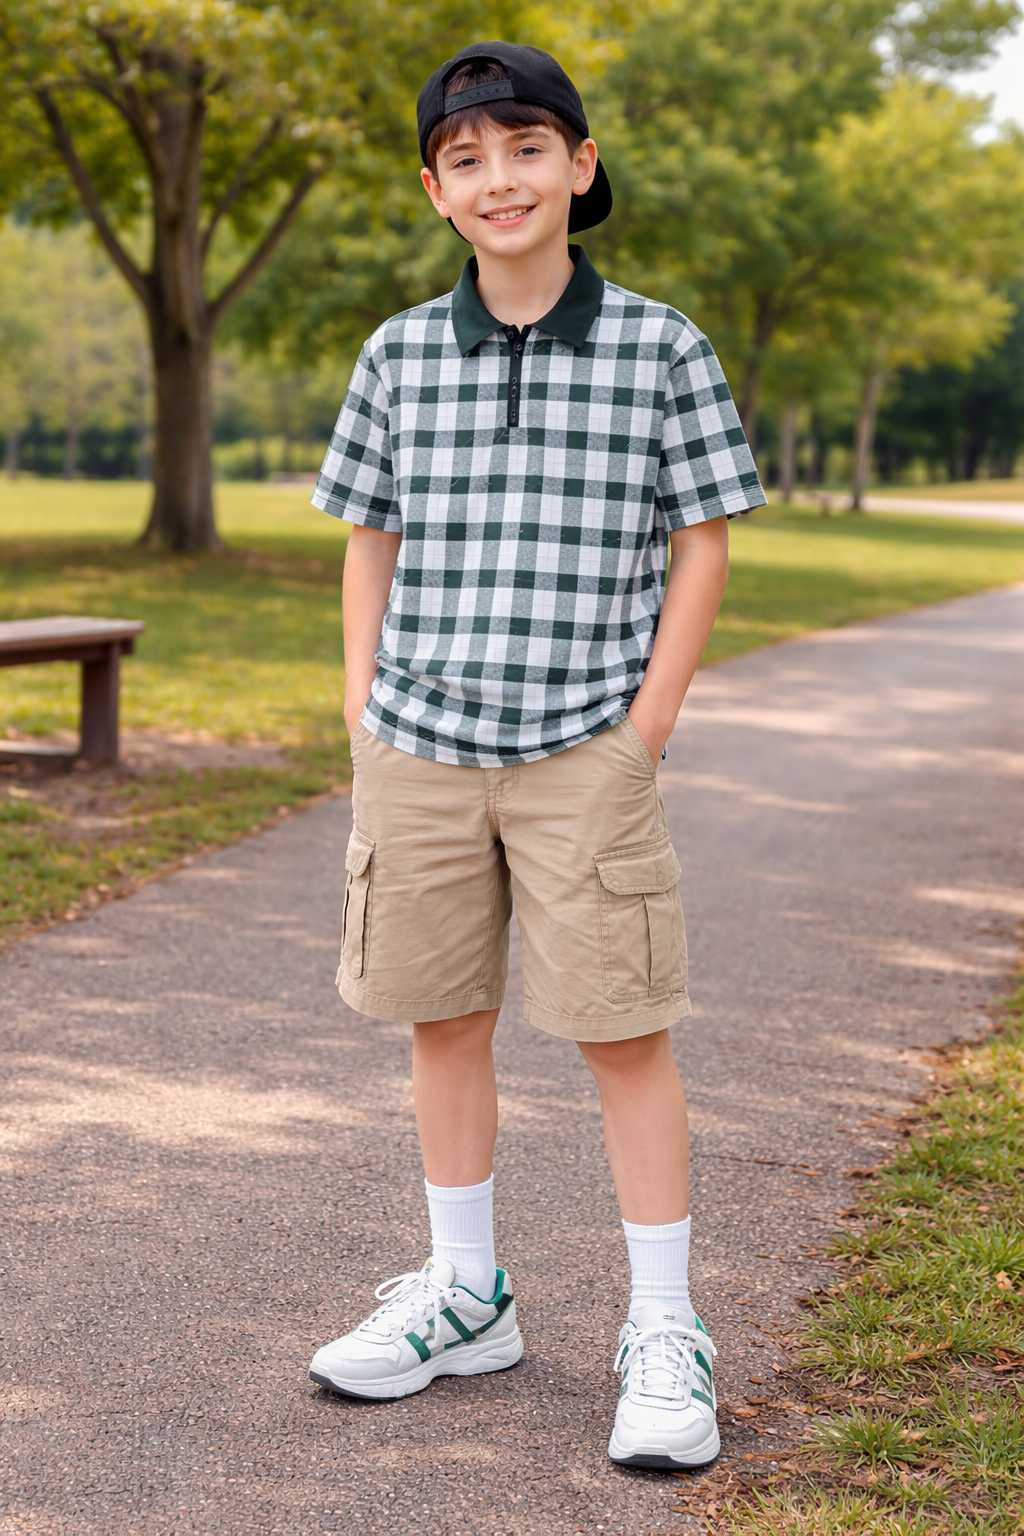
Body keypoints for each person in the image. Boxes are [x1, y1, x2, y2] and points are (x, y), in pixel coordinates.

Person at [307, 41, 766, 1469]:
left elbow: (704, 540)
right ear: (437, 193)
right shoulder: (396, 352)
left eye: (524, 147)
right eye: (465, 158)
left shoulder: (660, 344)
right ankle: (467, 1293)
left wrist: (648, 730)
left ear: (578, 167)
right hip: (422, 747)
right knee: (442, 1018)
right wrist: (361, 705)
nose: (496, 177)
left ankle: (666, 1325)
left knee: (623, 1031)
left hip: (585, 747)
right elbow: (367, 535)